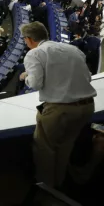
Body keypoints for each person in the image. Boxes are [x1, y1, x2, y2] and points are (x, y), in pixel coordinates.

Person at [18, 21, 96, 188]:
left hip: (60, 110)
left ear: (29, 39)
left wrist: (26, 76)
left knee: (45, 150)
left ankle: (46, 192)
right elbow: (87, 77)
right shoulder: (73, 49)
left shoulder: (34, 54)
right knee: (65, 147)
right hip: (87, 107)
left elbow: (36, 83)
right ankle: (58, 186)